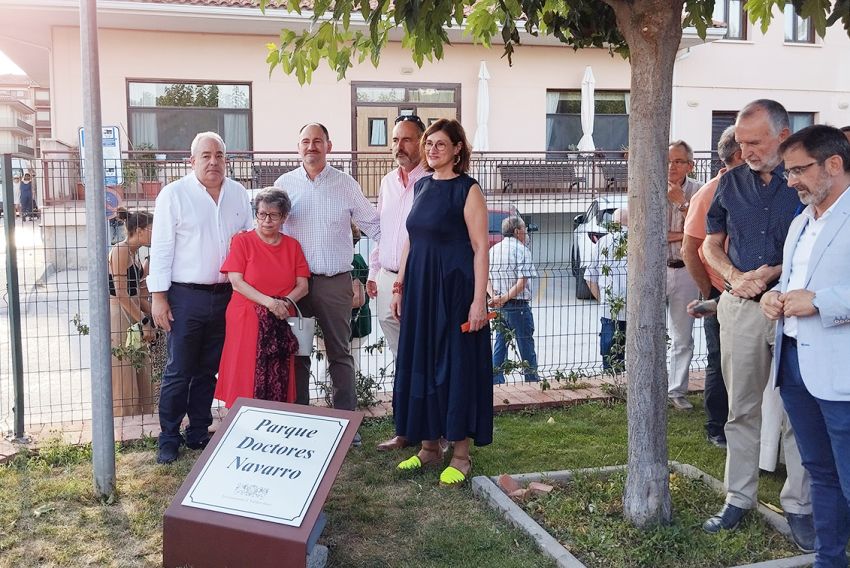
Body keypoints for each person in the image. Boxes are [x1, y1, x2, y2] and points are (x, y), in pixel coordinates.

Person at [702, 99, 813, 551]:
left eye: (755, 141)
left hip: (794, 309)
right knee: (741, 407)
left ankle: (800, 507)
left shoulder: (806, 183)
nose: (744, 149)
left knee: (797, 411)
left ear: (783, 136)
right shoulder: (728, 185)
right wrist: (733, 277)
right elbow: (711, 244)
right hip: (741, 308)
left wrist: (768, 273)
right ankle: (738, 497)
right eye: (741, 142)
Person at [761, 124, 850, 567]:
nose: (790, 180)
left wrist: (820, 304)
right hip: (794, 364)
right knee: (820, 472)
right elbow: (796, 281)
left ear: (833, 164)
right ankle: (830, 560)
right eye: (788, 172)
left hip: (842, 373)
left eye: (799, 170)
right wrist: (772, 298)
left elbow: (819, 296)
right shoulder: (801, 220)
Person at [391, 118, 492, 486]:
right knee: (422, 360)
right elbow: (410, 240)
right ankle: (429, 447)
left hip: (454, 292)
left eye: (440, 145)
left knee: (455, 366)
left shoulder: (469, 190)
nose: (432, 150)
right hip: (420, 290)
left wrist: (478, 301)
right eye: (429, 144)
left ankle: (461, 455)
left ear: (457, 149)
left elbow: (481, 249)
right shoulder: (420, 187)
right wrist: (400, 285)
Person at [148, 132, 254, 465]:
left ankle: (198, 432)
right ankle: (168, 437)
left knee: (209, 370)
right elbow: (162, 248)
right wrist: (159, 297)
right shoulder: (173, 195)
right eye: (205, 155)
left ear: (226, 159)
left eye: (219, 155)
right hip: (184, 296)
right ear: (191, 161)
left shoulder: (239, 194)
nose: (213, 161)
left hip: (225, 296)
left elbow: (249, 241)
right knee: (179, 370)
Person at [274, 123, 380, 447]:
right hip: (297, 286)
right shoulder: (284, 185)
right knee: (298, 355)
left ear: (329, 146)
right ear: (298, 147)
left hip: (335, 284)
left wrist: (397, 257)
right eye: (305, 141)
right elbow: (268, 230)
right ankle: (299, 423)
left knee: (340, 354)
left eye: (317, 141)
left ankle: (347, 426)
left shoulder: (345, 184)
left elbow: (374, 225)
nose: (311, 147)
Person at [215, 188, 309, 408]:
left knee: (280, 370)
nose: (267, 220)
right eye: (262, 214)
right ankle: (241, 417)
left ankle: (276, 417)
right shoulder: (242, 242)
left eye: (274, 215)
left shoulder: (292, 246)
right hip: (246, 316)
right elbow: (236, 281)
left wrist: (283, 303)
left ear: (284, 217)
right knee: (245, 370)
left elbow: (303, 286)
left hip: (282, 316)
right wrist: (270, 303)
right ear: (255, 214)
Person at [367, 115, 428, 452]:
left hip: (418, 283)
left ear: (422, 141)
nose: (399, 147)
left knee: (425, 358)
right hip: (388, 279)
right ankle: (405, 430)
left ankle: (433, 431)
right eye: (394, 140)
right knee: (402, 360)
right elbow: (385, 231)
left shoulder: (433, 182)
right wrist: (374, 272)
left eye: (407, 139)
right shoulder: (389, 182)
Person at [682, 125, 744, 448]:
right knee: (719, 359)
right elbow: (689, 250)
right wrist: (709, 292)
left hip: (751, 292)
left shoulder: (760, 190)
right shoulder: (709, 193)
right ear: (740, 155)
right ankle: (716, 426)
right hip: (721, 292)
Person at [108, 209, 155, 417]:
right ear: (139, 230)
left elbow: (139, 294)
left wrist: (156, 317)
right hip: (120, 314)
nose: (157, 233)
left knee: (140, 365)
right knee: (124, 367)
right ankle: (123, 418)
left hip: (133, 312)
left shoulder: (135, 254)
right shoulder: (120, 250)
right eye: (153, 230)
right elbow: (121, 293)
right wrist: (144, 320)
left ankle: (141, 416)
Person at [666, 141, 701, 411]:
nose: (672, 166)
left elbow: (702, 230)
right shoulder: (650, 185)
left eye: (678, 161)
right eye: (668, 161)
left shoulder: (699, 191)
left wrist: (682, 204)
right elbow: (646, 233)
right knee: (649, 332)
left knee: (683, 336)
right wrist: (684, 235)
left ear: (689, 165)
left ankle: (676, 391)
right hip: (655, 270)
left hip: (687, 270)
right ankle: (651, 385)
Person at [489, 215, 539, 384]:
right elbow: (522, 282)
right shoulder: (522, 250)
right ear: (517, 231)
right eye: (525, 229)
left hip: (500, 306)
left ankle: (496, 381)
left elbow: (485, 277)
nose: (526, 233)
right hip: (518, 305)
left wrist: (495, 296)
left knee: (500, 344)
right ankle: (531, 381)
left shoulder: (494, 250)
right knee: (526, 346)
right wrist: (505, 297)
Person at [585, 208, 628, 371]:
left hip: (610, 308)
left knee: (611, 356)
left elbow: (589, 277)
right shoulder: (639, 240)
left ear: (614, 223)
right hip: (637, 309)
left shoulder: (603, 242)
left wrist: (602, 300)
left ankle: (612, 385)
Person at [350, 224, 372, 372]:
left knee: (350, 363)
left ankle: (351, 393)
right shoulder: (358, 258)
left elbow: (357, 299)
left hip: (354, 325)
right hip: (358, 323)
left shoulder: (352, 262)